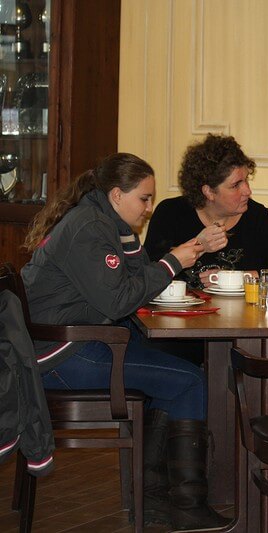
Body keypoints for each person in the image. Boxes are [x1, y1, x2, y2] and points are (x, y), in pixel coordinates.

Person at [21, 153, 228, 530]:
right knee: (190, 380)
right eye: (144, 199)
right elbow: (119, 300)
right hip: (63, 354)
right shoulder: (90, 227)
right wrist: (173, 261)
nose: (149, 208)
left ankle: (155, 498)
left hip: (76, 343)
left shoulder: (108, 222)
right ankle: (183, 505)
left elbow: (138, 277)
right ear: (116, 194)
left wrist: (189, 249)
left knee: (177, 373)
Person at [144, 134, 268, 288]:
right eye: (236, 185)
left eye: (246, 180)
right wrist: (198, 245)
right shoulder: (170, 213)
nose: (247, 191)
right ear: (209, 192)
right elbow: (147, 272)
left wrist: (240, 278)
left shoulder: (257, 217)